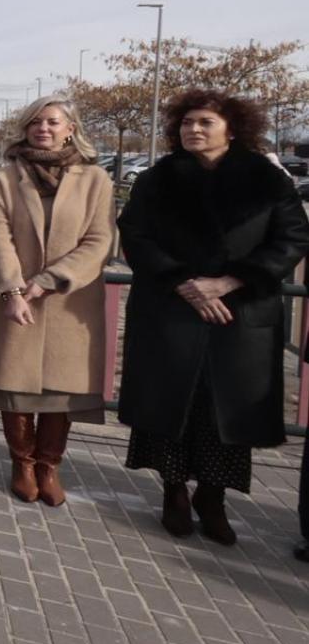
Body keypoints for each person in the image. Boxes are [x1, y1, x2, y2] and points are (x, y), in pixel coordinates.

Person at [117, 90, 309, 542]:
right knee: (171, 403)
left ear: (232, 128)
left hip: (238, 313)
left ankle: (212, 495)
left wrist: (230, 281)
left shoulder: (267, 179)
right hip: (171, 309)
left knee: (224, 408)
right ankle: (173, 493)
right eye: (186, 123)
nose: (193, 129)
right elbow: (136, 236)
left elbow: (292, 238)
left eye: (204, 122)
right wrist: (183, 281)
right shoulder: (156, 179)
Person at [0, 95, 114, 507]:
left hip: (68, 301)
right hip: (14, 298)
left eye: (53, 122)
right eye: (36, 122)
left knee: (61, 387)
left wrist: (49, 280)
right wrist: (14, 289)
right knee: (15, 384)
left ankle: (49, 466)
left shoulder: (95, 180)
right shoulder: (4, 178)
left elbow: (100, 240)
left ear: (70, 128)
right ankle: (22, 464)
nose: (44, 128)